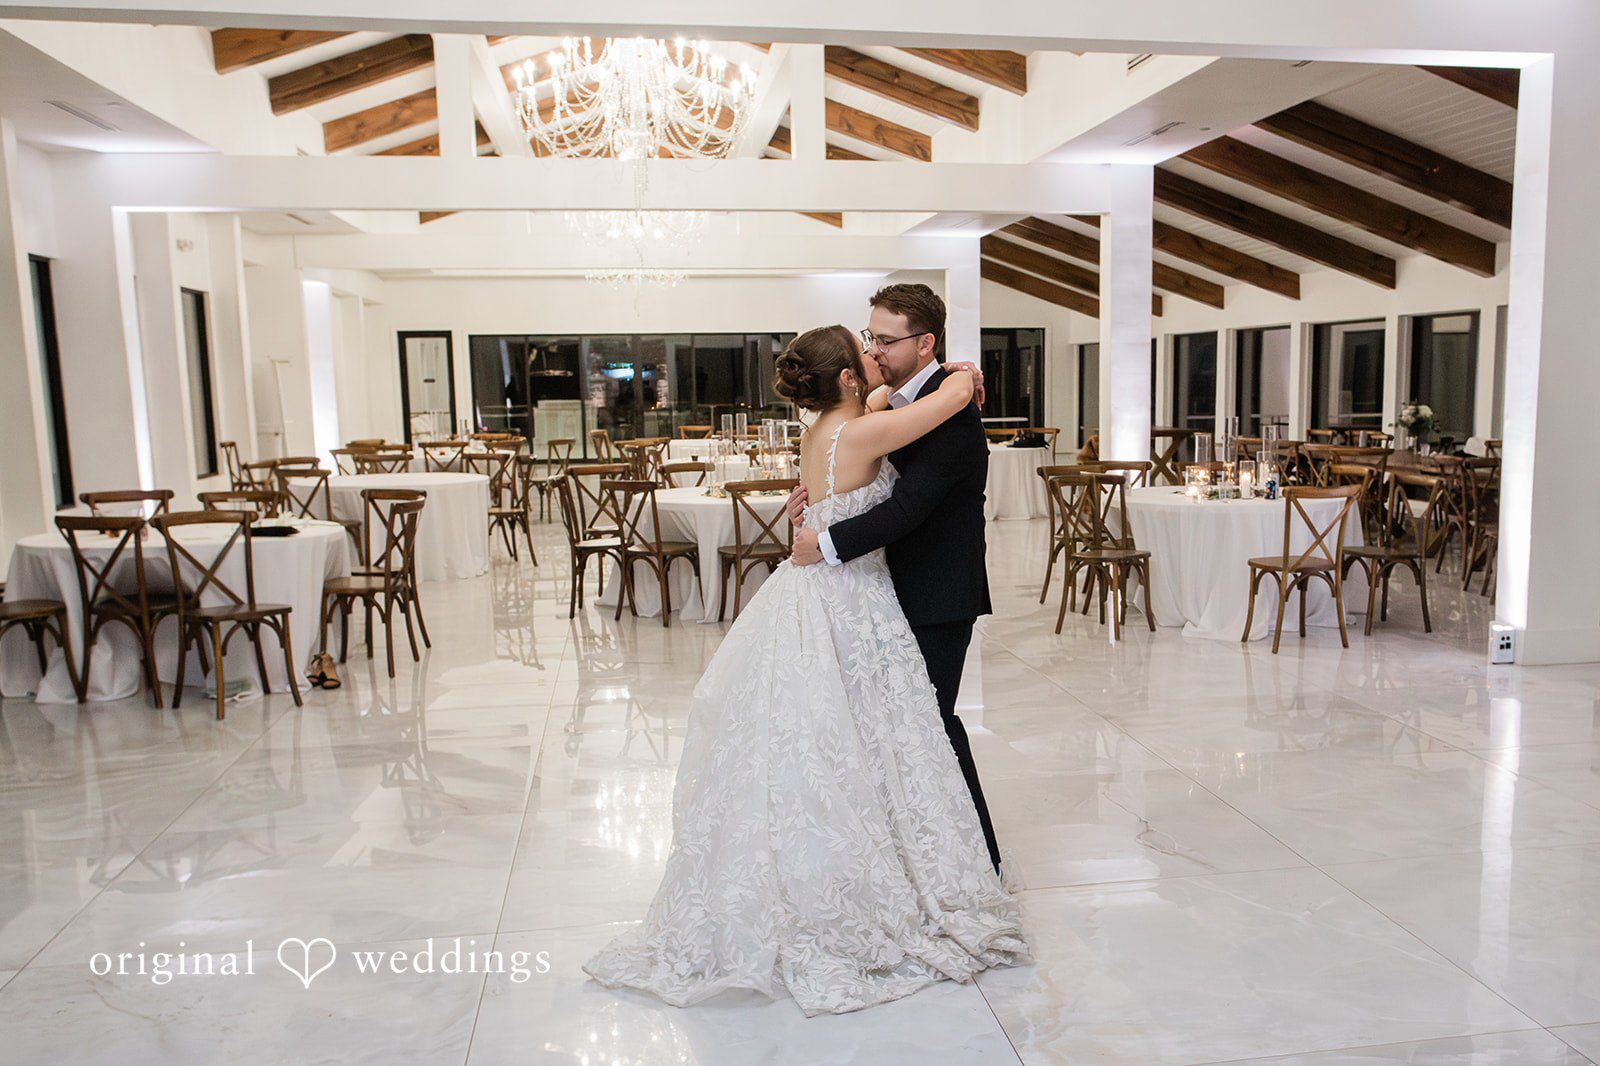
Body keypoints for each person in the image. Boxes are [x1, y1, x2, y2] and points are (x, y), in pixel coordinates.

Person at [583, 324, 1027, 1017]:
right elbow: (936, 409)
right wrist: (964, 380)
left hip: (820, 590)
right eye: (866, 352)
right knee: (868, 733)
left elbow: (881, 405)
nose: (875, 359)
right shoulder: (860, 431)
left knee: (836, 736)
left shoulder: (831, 424)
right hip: (849, 596)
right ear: (849, 377)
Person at [788, 284, 1002, 873]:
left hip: (936, 591)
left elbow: (908, 508)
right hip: (879, 589)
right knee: (891, 727)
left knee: (931, 725)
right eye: (870, 338)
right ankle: (905, 854)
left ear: (924, 341)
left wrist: (826, 541)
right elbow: (854, 470)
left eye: (885, 339)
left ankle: (980, 859)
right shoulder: (886, 402)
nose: (875, 349)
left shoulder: (953, 409)